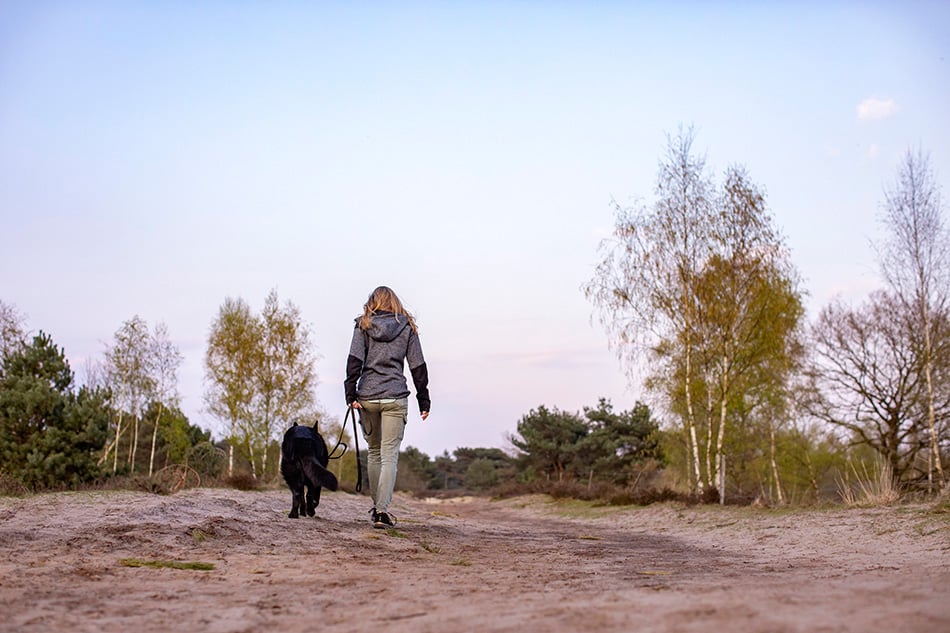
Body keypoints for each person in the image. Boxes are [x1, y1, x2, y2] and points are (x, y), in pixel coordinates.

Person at [344, 286, 430, 528]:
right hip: (395, 396)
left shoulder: (363, 325)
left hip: (368, 396)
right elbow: (417, 366)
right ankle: (382, 511)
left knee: (374, 452)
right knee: (389, 455)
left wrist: (350, 393)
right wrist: (423, 399)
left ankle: (377, 509)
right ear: (395, 302)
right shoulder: (407, 327)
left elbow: (354, 360)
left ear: (372, 302)